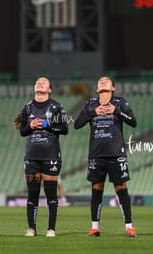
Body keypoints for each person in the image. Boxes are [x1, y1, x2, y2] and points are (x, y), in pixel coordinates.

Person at [74, 76, 138, 237]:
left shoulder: (120, 102)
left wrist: (115, 111)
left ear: (113, 88)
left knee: (121, 189)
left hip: (116, 153)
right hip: (96, 154)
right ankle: (94, 228)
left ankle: (129, 227)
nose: (102, 81)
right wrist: (93, 112)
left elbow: (133, 121)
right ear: (96, 89)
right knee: (96, 189)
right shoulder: (90, 104)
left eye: (106, 81)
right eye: (100, 81)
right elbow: (77, 124)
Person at [14, 77, 68, 237]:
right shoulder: (28, 107)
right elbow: (23, 131)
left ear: (50, 89)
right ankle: (32, 229)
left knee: (51, 194)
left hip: (51, 156)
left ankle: (51, 229)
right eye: (37, 81)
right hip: (31, 156)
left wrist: (48, 125)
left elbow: (64, 129)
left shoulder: (57, 107)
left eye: (44, 82)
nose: (39, 83)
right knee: (32, 194)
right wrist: (30, 126)